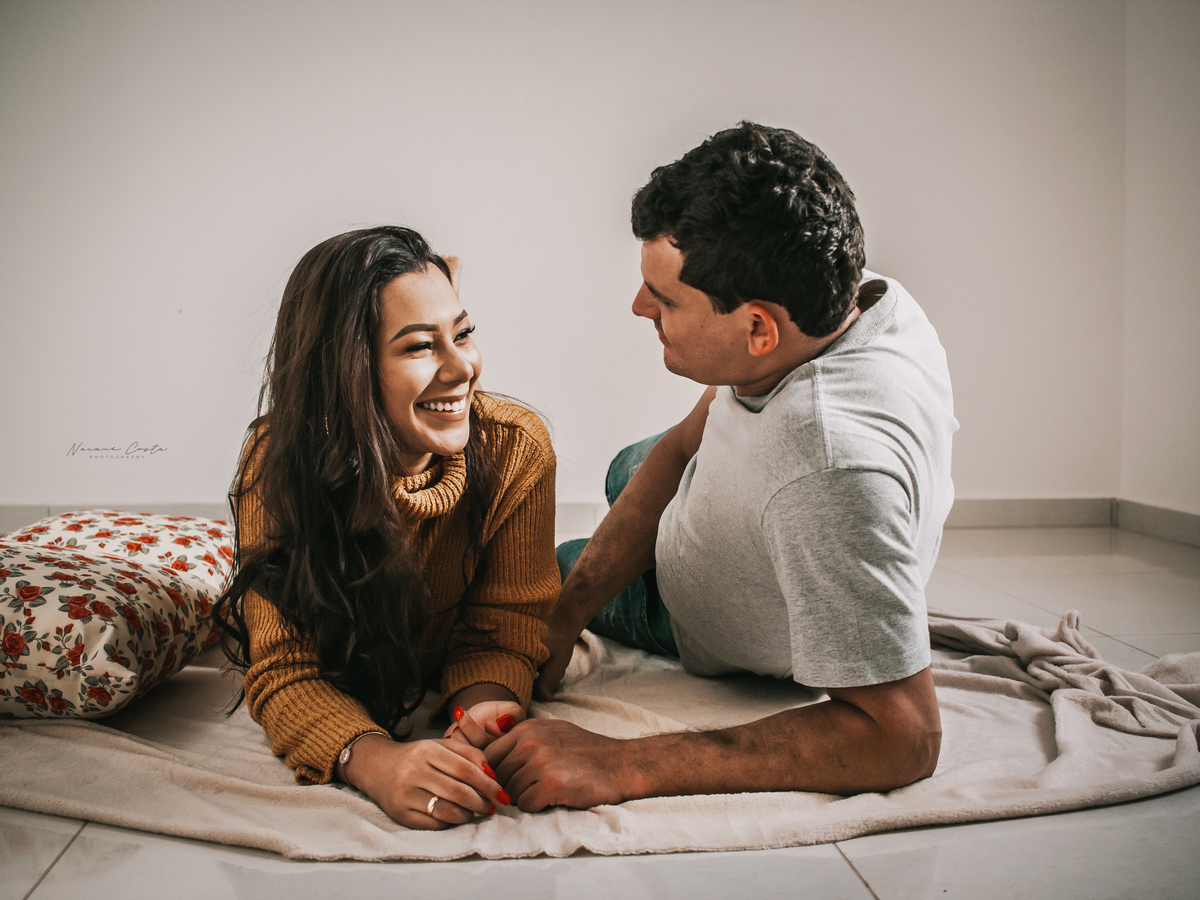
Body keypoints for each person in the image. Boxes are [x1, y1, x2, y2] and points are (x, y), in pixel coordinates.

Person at [483, 122, 958, 810]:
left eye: (665, 299)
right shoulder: (852, 299)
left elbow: (905, 737)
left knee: (545, 569)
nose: (639, 307)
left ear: (758, 329)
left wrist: (624, 763)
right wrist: (564, 618)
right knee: (628, 468)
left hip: (690, 608)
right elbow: (685, 445)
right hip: (742, 504)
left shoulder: (826, 473)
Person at [215, 226, 559, 830]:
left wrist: (483, 715)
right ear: (345, 371)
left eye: (463, 333)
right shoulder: (278, 466)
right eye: (420, 346)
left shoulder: (517, 449)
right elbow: (285, 667)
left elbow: (502, 632)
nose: (464, 367)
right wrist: (376, 762)